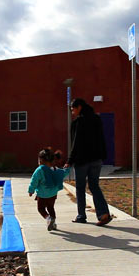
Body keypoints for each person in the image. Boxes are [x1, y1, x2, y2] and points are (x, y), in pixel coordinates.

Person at [64, 98, 112, 226]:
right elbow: (102, 138)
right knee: (94, 186)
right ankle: (104, 214)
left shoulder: (78, 123)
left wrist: (69, 160)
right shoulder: (97, 119)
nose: (72, 111)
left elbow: (76, 143)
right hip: (96, 159)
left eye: (73, 108)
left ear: (79, 107)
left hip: (82, 161)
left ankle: (81, 216)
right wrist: (103, 155)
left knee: (80, 188)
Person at [29, 148, 71, 231]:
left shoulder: (40, 170)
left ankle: (48, 218)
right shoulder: (55, 169)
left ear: (40, 160)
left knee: (41, 209)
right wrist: (67, 168)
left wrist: (31, 190)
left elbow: (34, 180)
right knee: (50, 207)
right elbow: (64, 173)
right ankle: (53, 223)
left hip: (42, 195)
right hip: (53, 194)